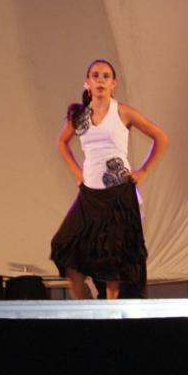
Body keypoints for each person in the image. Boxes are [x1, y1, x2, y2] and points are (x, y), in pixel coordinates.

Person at [50, 59, 168, 299]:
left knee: (114, 259)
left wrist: (143, 171)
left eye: (106, 76)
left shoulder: (122, 111)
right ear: (88, 82)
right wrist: (77, 172)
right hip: (90, 195)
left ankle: (110, 312)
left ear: (114, 83)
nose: (100, 80)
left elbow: (161, 137)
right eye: (95, 76)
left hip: (118, 194)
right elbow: (62, 142)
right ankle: (87, 309)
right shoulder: (79, 115)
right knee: (64, 246)